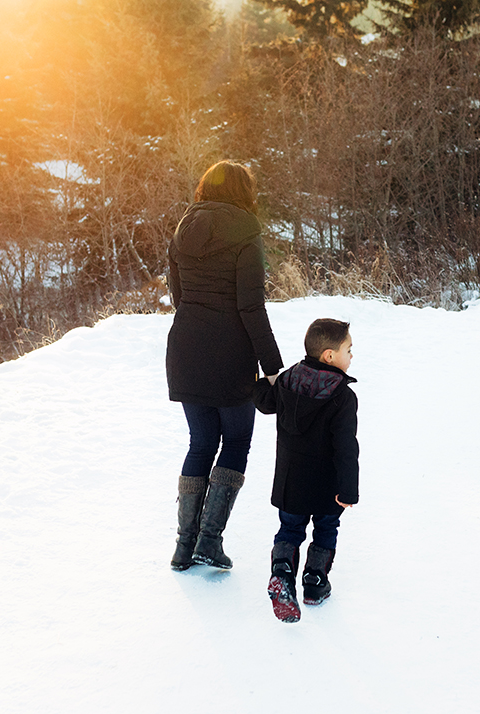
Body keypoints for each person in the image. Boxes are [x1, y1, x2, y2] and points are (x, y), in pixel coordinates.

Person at [166, 160, 283, 571]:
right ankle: (209, 541)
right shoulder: (247, 233)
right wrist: (272, 367)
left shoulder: (183, 229)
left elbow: (178, 295)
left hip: (185, 348)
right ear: (243, 191)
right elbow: (250, 305)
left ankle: (185, 547)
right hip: (230, 353)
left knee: (200, 443)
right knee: (234, 443)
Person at [253, 318, 358, 623]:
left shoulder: (287, 381)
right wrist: (349, 489)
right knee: (326, 530)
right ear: (329, 355)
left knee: (289, 529)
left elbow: (265, 401)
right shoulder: (342, 396)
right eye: (348, 350)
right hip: (328, 486)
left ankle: (282, 575)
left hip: (290, 482)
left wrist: (259, 382)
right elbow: (346, 447)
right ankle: (314, 583)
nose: (352, 356)